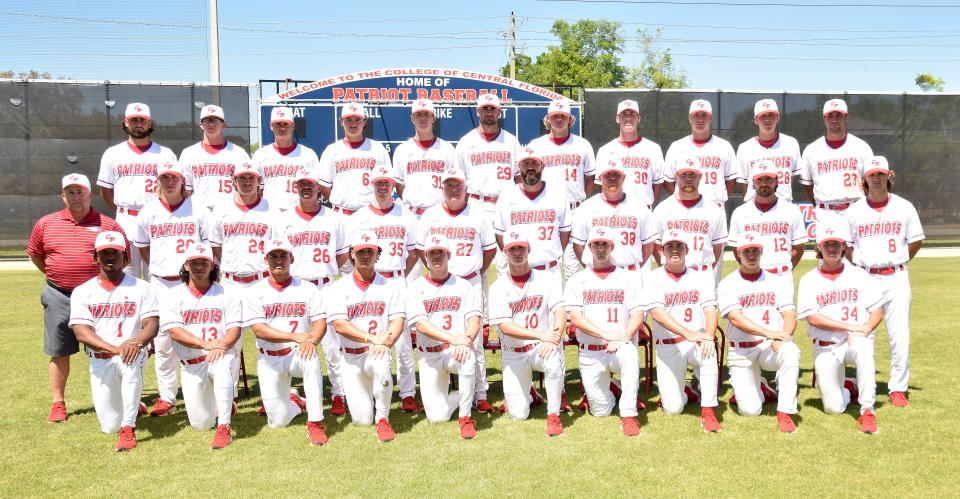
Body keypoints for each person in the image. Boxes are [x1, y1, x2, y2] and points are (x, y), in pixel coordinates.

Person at [28, 173, 124, 423]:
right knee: (59, 351)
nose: (75, 196)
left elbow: (123, 256)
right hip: (59, 294)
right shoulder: (45, 223)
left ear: (90, 194)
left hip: (99, 298)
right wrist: (58, 275)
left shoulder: (108, 225)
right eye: (70, 192)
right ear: (63, 196)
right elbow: (37, 255)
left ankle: (121, 398)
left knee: (110, 348)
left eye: (80, 191)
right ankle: (58, 403)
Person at [68, 231, 159, 451]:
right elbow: (81, 332)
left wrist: (135, 343)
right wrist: (115, 348)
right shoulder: (83, 291)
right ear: (95, 257)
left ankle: (128, 428)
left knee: (129, 364)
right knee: (109, 426)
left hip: (132, 351)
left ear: (126, 258)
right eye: (104, 253)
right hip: (101, 357)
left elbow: (152, 325)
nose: (110, 257)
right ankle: (133, 406)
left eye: (115, 253)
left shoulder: (143, 287)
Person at [845, 156, 924, 407]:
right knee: (862, 334)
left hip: (896, 277)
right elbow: (846, 245)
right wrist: (860, 263)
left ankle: (898, 388)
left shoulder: (904, 207)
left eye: (881, 174)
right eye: (872, 174)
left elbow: (915, 241)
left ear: (889, 176)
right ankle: (863, 384)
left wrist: (897, 260)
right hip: (866, 277)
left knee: (899, 335)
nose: (876, 178)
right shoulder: (855, 210)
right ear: (864, 179)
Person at [416, 167, 497, 413]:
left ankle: (480, 393)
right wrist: (438, 272)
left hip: (469, 280)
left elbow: (489, 249)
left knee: (474, 340)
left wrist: (474, 271)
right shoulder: (430, 216)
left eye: (457, 185)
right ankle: (448, 387)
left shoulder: (479, 214)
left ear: (466, 188)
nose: (453, 190)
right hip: (440, 284)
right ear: (442, 188)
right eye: (448, 185)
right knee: (441, 334)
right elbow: (422, 249)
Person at [134, 160, 211, 416]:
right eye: (165, 178)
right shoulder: (148, 212)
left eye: (174, 178)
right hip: (161, 282)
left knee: (201, 335)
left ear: (182, 180)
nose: (170, 182)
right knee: (164, 341)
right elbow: (143, 247)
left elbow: (208, 248)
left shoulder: (198, 209)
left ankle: (211, 389)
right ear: (159, 181)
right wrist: (159, 266)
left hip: (190, 281)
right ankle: (167, 397)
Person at [798, 218, 885, 434]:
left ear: (844, 246)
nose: (832, 249)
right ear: (818, 247)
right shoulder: (809, 280)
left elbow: (877, 312)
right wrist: (850, 326)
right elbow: (813, 318)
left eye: (836, 244)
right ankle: (848, 387)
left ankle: (867, 411)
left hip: (854, 340)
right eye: (827, 244)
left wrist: (865, 329)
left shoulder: (859, 275)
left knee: (864, 349)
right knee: (833, 408)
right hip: (826, 346)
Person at [244, 239, 329, 445]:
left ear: (291, 258)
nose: (278, 260)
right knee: (278, 421)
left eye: (283, 255)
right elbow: (259, 330)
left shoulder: (308, 288)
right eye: (273, 256)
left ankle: (316, 423)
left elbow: (320, 323)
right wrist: (296, 336)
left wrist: (312, 340)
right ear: (266, 259)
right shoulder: (254, 291)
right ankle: (296, 402)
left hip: (297, 353)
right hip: (269, 359)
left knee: (311, 361)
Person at [326, 230, 407, 443]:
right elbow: (339, 325)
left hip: (377, 351)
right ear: (352, 254)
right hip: (351, 356)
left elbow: (398, 320)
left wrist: (386, 342)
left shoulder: (390, 286)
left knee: (381, 367)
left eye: (370, 251)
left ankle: (383, 419)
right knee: (361, 420)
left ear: (377, 253)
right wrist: (372, 338)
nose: (365, 256)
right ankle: (372, 400)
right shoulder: (338, 287)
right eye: (360, 251)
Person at [350, 165, 419, 411]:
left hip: (397, 278)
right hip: (371, 280)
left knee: (401, 341)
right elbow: (352, 252)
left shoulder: (406, 214)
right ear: (373, 184)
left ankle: (408, 392)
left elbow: (414, 252)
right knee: (370, 334)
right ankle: (371, 386)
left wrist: (400, 275)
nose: (382, 187)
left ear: (393, 186)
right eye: (378, 183)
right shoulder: (359, 217)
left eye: (386, 183)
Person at [159, 243, 241, 448]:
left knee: (221, 366)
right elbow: (174, 332)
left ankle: (224, 426)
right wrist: (206, 344)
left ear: (212, 265)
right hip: (191, 362)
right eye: (194, 263)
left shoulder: (227, 293)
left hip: (220, 354)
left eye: (204, 262)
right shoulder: (173, 295)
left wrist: (220, 346)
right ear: (186, 266)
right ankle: (223, 402)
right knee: (201, 424)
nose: (199, 267)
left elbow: (234, 331)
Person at [718, 231, 801, 433]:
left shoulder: (776, 280)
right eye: (747, 251)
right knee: (750, 411)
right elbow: (736, 318)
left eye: (756, 250)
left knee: (791, 351)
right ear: (738, 254)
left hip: (768, 347)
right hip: (741, 351)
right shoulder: (728, 283)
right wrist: (769, 332)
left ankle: (785, 413)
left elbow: (790, 313)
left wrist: (784, 335)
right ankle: (761, 388)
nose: (752, 255)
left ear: (762, 252)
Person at [564, 227, 644, 437]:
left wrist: (625, 337)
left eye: (604, 244)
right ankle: (613, 387)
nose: (600, 248)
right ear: (589, 247)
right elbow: (576, 318)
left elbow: (638, 315)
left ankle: (628, 415)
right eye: (596, 244)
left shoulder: (628, 278)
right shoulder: (577, 280)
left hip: (620, 346)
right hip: (591, 351)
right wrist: (606, 335)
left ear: (612, 247)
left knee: (630, 355)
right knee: (600, 411)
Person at [282, 168, 350, 415]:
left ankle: (339, 393)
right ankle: (289, 392)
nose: (306, 188)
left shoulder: (333, 217)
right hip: (296, 286)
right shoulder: (284, 218)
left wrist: (325, 268)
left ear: (319, 187)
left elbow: (343, 252)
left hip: (324, 284)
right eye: (302, 184)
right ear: (296, 187)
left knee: (332, 344)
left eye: (310, 184)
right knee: (292, 340)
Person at [488, 231, 567, 437]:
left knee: (553, 361)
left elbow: (560, 311)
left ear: (529, 249)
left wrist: (555, 337)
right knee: (519, 414)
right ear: (505, 252)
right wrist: (542, 334)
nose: (517, 252)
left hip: (540, 348)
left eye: (521, 248)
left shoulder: (547, 279)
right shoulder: (498, 287)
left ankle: (553, 415)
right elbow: (505, 327)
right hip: (513, 352)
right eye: (512, 249)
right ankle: (529, 392)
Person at [642, 229, 721, 432]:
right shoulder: (653, 277)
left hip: (695, 342)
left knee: (709, 353)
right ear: (662, 251)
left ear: (687, 250)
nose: (675, 251)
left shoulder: (702, 276)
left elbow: (710, 310)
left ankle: (709, 412)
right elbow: (657, 313)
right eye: (670, 247)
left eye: (679, 246)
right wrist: (688, 333)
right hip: (668, 345)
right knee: (673, 409)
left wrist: (708, 337)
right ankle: (684, 390)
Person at [406, 234, 481, 439]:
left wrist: (465, 339)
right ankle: (458, 396)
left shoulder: (464, 285)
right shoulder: (415, 288)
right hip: (429, 355)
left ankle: (465, 418)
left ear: (449, 255)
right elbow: (420, 324)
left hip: (453, 351)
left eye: (441, 252)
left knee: (468, 359)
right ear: (426, 257)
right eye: (432, 253)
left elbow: (474, 320)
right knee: (437, 418)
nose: (436, 257)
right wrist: (453, 338)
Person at [97, 102, 178, 277]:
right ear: (126, 122)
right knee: (127, 275)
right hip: (126, 219)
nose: (138, 124)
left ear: (150, 123)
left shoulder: (165, 154)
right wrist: (121, 209)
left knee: (157, 274)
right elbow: (105, 190)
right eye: (134, 120)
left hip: (157, 218)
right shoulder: (113, 153)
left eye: (142, 120)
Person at [527, 99, 596, 279]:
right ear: (548, 119)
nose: (559, 119)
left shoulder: (582, 145)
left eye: (563, 116)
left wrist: (580, 199)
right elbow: (527, 177)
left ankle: (573, 305)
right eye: (555, 116)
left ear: (570, 119)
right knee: (547, 259)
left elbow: (590, 178)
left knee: (573, 264)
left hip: (575, 208)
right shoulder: (536, 145)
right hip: (546, 209)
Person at [455, 93, 521, 276]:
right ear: (478, 112)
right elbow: (458, 180)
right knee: (477, 261)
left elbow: (519, 178)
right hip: (477, 204)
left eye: (492, 109)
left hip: (504, 204)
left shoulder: (511, 141)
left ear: (499, 112)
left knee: (506, 261)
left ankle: (505, 304)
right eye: (485, 109)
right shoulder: (466, 142)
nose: (489, 113)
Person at [570, 160, 658, 274]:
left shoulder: (639, 207)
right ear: (600, 178)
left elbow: (649, 245)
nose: (612, 178)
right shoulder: (585, 208)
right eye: (607, 175)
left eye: (617, 175)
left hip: (630, 273)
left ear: (624, 178)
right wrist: (594, 267)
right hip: (597, 275)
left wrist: (634, 267)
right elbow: (578, 246)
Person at [494, 147, 571, 276]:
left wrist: (550, 255)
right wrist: (515, 260)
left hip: (549, 271)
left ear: (543, 166)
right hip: (518, 271)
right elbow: (500, 235)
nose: (530, 167)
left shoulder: (558, 195)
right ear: (518, 167)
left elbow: (564, 233)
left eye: (535, 163)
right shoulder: (506, 196)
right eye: (525, 163)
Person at [652, 157, 728, 285]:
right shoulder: (662, 209)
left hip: (702, 275)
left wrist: (706, 271)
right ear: (676, 176)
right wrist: (669, 269)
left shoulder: (714, 210)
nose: (688, 179)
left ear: (700, 177)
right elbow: (656, 246)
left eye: (693, 174)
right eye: (684, 174)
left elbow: (717, 247)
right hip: (671, 277)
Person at [728, 160, 807, 282]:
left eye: (769, 179)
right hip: (753, 277)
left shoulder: (791, 210)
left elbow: (799, 249)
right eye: (759, 180)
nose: (764, 184)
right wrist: (751, 270)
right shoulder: (740, 213)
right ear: (753, 183)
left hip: (782, 275)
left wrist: (785, 271)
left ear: (777, 181)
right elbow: (736, 248)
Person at [800, 98, 874, 215]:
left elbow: (872, 180)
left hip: (856, 209)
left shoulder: (861, 147)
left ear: (846, 117)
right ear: (824, 118)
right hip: (825, 213)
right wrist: (818, 205)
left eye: (838, 115)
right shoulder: (811, 150)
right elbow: (807, 183)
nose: (834, 119)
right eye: (830, 116)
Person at [318, 102, 392, 216]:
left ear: (364, 122)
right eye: (348, 120)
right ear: (341, 122)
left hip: (371, 214)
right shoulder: (331, 151)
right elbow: (323, 185)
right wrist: (339, 202)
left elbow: (389, 182)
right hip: (341, 215)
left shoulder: (377, 149)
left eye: (357, 119)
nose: (353, 124)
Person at [663, 99, 738, 208]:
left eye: (704, 115)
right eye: (696, 115)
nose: (700, 119)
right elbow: (668, 180)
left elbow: (731, 180)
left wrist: (719, 197)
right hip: (683, 208)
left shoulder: (724, 146)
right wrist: (682, 197)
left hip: (715, 206)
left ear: (710, 118)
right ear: (689, 118)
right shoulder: (677, 147)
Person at [179, 104, 252, 211]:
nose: (211, 124)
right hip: (200, 212)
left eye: (215, 120)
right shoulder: (188, 154)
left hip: (231, 211)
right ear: (201, 124)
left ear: (224, 124)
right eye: (207, 120)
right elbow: (185, 190)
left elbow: (248, 186)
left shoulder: (239, 153)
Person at [594, 99, 665, 209]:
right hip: (615, 211)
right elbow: (600, 185)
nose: (628, 118)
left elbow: (658, 185)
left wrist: (648, 209)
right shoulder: (605, 150)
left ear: (638, 118)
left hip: (644, 209)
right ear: (617, 118)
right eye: (623, 114)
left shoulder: (653, 149)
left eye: (632, 114)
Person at [251, 106, 321, 210]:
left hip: (298, 214)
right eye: (278, 124)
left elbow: (318, 188)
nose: (282, 128)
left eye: (286, 124)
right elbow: (256, 189)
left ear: (293, 126)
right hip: (269, 213)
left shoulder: (308, 155)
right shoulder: (260, 155)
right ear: (271, 126)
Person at [735, 99, 801, 202]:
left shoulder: (791, 143)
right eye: (763, 116)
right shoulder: (745, 148)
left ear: (778, 117)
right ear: (756, 120)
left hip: (784, 206)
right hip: (755, 208)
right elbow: (745, 183)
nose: (767, 120)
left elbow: (791, 177)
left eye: (771, 115)